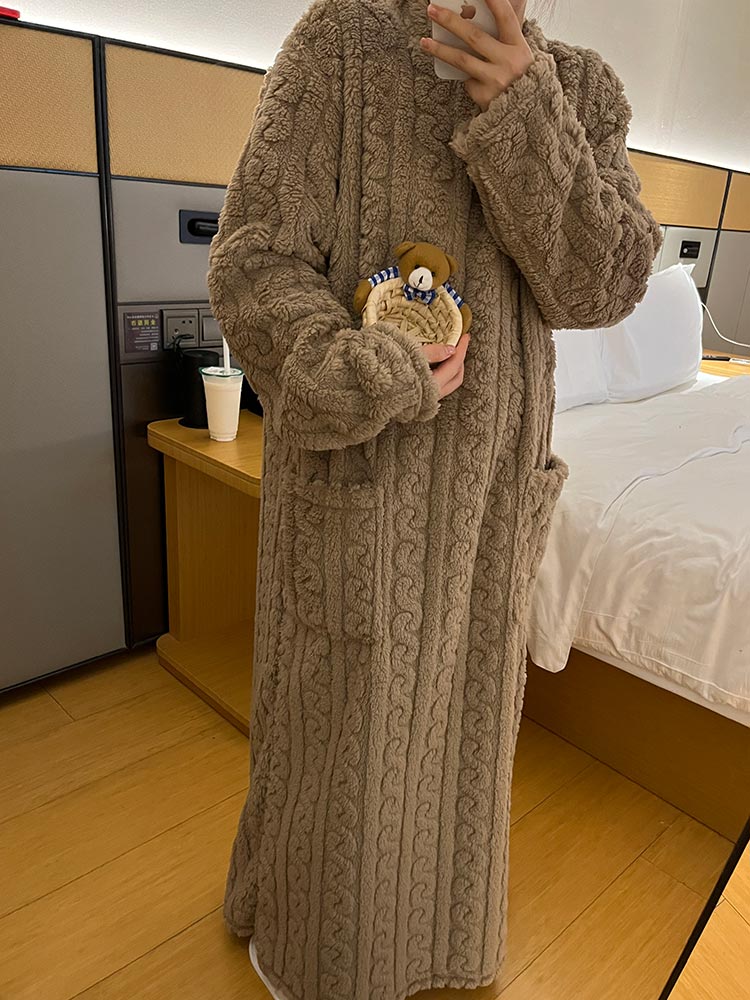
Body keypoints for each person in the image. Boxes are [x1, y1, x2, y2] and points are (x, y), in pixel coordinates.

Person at [207, 0, 662, 997]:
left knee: (462, 747)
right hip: (361, 476)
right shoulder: (340, 45)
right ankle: (316, 956)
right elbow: (252, 264)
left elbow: (603, 288)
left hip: (493, 501)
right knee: (340, 744)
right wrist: (362, 368)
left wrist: (526, 111)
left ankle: (445, 951)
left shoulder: (579, 89)